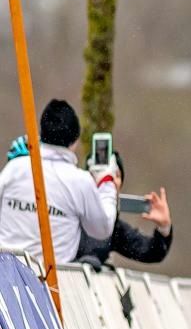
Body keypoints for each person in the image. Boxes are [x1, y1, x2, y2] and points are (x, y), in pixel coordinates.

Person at [0, 100, 118, 263]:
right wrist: (106, 182)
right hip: (49, 283)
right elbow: (102, 229)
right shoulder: (80, 181)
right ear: (75, 140)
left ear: (42, 134)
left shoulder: (14, 168)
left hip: (6, 280)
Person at [74, 150, 174, 269]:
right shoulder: (71, 211)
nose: (108, 180)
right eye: (100, 173)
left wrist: (164, 227)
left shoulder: (113, 228)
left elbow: (151, 252)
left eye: (115, 175)